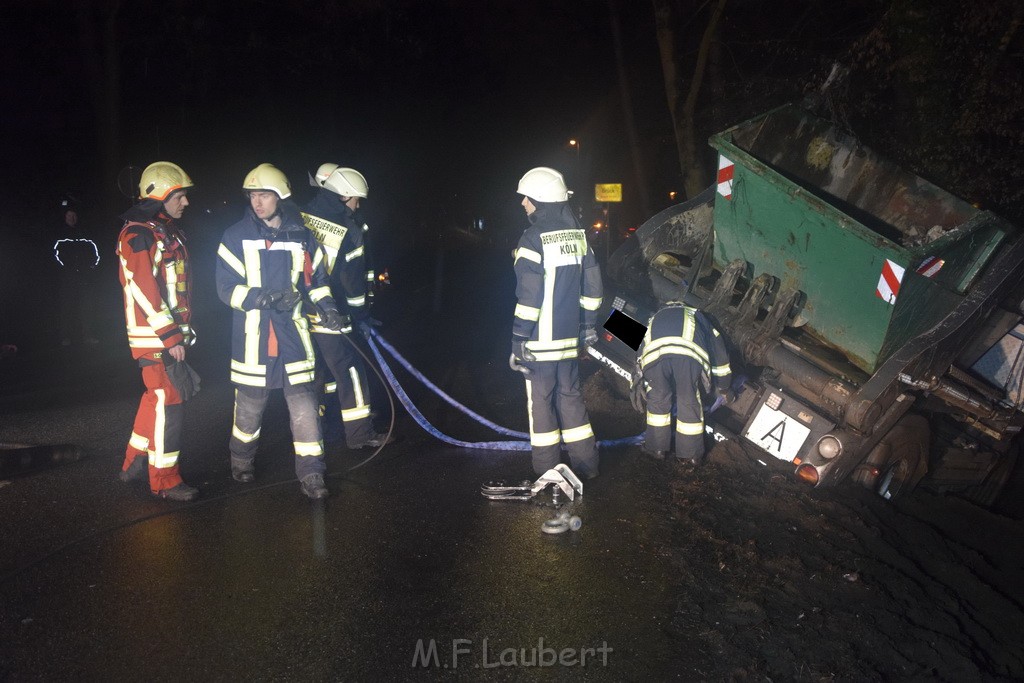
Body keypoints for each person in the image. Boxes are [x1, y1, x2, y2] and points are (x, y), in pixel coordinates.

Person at [215, 163, 346, 500]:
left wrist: (328, 307)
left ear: (280, 197)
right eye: (253, 195)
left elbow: (317, 282)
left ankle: (313, 474)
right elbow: (225, 288)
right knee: (248, 409)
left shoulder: (302, 236)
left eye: (264, 195)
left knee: (304, 409)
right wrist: (258, 296)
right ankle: (241, 461)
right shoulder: (234, 236)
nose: (257, 202)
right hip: (253, 342)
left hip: (293, 339)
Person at [510, 166, 603, 479]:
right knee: (572, 401)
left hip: (539, 345)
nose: (523, 203)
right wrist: (588, 326)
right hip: (569, 341)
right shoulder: (579, 237)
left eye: (527, 197)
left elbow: (529, 298)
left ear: (541, 200)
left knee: (542, 407)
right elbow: (594, 289)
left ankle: (547, 472)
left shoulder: (532, 240)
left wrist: (518, 339)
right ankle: (587, 466)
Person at [115, 161, 199, 501]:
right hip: (155, 337)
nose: (185, 202)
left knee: (156, 397)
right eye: (179, 196)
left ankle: (133, 463)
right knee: (169, 401)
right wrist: (171, 336)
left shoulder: (163, 230)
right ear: (159, 196)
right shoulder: (138, 234)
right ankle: (164, 480)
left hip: (163, 335)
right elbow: (144, 288)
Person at [302, 165, 390, 449]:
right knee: (350, 369)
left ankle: (323, 421)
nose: (358, 204)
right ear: (343, 196)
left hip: (304, 309)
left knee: (319, 370)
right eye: (355, 199)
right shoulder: (347, 228)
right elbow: (351, 280)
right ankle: (359, 434)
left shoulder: (304, 216)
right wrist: (361, 314)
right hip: (335, 312)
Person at [632, 301, 733, 465]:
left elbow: (640, 349)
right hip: (687, 357)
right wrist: (724, 385)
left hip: (654, 358)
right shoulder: (697, 315)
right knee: (688, 400)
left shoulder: (655, 317)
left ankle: (656, 449)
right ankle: (691, 456)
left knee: (658, 399)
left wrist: (635, 382)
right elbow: (719, 349)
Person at [53, 198, 100, 346]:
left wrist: (92, 267)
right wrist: (65, 269)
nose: (72, 219)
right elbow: (54, 255)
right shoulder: (59, 233)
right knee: (67, 307)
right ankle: (66, 337)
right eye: (69, 216)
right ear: (65, 217)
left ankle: (88, 336)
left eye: (74, 216)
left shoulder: (85, 232)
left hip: (85, 277)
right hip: (67, 277)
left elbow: (95, 252)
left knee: (87, 308)